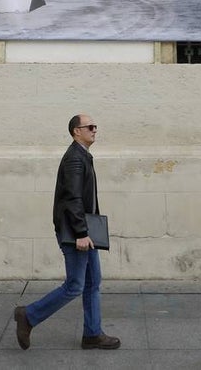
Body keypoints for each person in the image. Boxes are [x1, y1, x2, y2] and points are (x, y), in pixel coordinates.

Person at [14, 115, 120, 351]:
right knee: (75, 285)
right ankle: (28, 315)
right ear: (76, 131)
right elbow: (73, 198)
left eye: (95, 127)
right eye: (89, 127)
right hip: (76, 234)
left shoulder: (82, 155)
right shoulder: (74, 158)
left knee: (93, 282)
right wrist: (82, 232)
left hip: (85, 232)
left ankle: (92, 334)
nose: (95, 130)